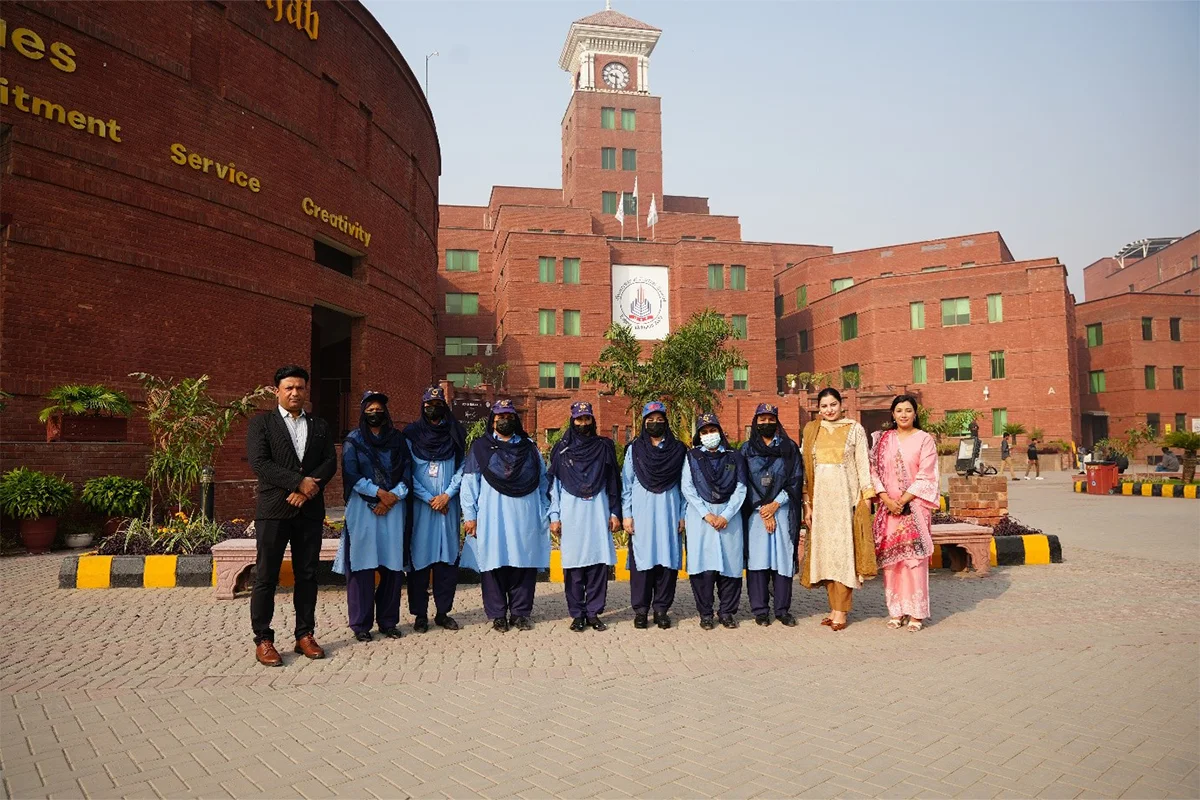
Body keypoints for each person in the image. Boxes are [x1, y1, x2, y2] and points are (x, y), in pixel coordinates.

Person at [246, 365, 338, 667]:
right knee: (266, 576)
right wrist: (297, 482)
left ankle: (305, 634)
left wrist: (308, 490)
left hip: (309, 510)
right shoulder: (262, 424)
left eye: (299, 388)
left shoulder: (320, 425)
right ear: (277, 391)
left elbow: (329, 462)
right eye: (289, 388)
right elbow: (260, 463)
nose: (295, 393)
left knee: (307, 574)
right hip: (274, 510)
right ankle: (264, 638)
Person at [461, 400, 550, 632]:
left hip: (526, 515)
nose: (504, 420)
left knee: (523, 562)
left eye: (509, 415)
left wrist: (546, 511)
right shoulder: (481, 447)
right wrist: (470, 516)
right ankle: (497, 613)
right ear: (493, 420)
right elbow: (470, 483)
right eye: (500, 416)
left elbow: (542, 481)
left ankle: (521, 613)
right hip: (493, 516)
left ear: (515, 419)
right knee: (494, 563)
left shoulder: (529, 448)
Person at [334, 391, 409, 642]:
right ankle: (361, 624)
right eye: (370, 410)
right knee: (362, 567)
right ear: (363, 412)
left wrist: (392, 497)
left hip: (393, 509)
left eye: (379, 409)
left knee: (392, 567)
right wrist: (378, 494)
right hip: (362, 510)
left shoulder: (397, 439)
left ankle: (388, 621)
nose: (375, 414)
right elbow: (351, 474)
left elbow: (407, 473)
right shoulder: (353, 440)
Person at [799, 388, 877, 631]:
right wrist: (807, 504)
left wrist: (866, 497)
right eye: (824, 406)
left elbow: (863, 463)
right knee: (827, 555)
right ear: (818, 409)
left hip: (845, 501)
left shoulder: (854, 429)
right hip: (821, 502)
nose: (829, 410)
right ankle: (833, 608)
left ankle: (842, 611)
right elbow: (805, 468)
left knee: (844, 554)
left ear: (841, 405)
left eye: (833, 404)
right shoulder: (813, 430)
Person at [548, 401, 621, 632]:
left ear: (593, 420)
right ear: (572, 420)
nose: (583, 424)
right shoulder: (561, 449)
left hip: (598, 513)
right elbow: (554, 488)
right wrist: (555, 516)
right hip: (571, 515)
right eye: (579, 419)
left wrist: (614, 512)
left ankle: (593, 613)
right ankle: (577, 614)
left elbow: (613, 482)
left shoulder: (604, 447)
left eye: (587, 419)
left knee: (598, 565)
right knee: (574, 566)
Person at [870, 395, 939, 632]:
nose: (903, 415)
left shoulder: (925, 440)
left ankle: (916, 614)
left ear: (915, 413)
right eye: (899, 410)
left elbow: (927, 475)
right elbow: (873, 471)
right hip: (888, 509)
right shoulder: (882, 440)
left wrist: (903, 499)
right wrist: (887, 499)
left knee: (914, 561)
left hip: (915, 508)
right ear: (892, 413)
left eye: (908, 410)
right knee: (892, 562)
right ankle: (896, 611)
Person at [404, 386, 467, 632]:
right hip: (422, 508)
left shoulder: (455, 432)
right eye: (429, 404)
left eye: (438, 403)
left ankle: (443, 612)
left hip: (447, 508)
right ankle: (420, 614)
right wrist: (430, 498)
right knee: (419, 561)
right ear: (422, 406)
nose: (433, 408)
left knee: (446, 561)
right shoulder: (411, 434)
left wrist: (447, 495)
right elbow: (406, 470)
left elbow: (464, 467)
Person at [621, 401, 688, 630]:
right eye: (650, 419)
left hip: (669, 513)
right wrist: (627, 515)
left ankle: (661, 609)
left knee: (667, 562)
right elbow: (626, 484)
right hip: (641, 514)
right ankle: (641, 611)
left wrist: (682, 515)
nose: (655, 423)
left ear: (666, 422)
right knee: (643, 563)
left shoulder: (678, 450)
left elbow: (684, 486)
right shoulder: (634, 449)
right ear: (643, 422)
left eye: (659, 419)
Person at [740, 403, 804, 627]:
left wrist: (776, 504)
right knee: (758, 561)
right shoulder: (746, 449)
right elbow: (743, 482)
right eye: (762, 419)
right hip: (755, 514)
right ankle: (760, 610)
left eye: (770, 419)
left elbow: (795, 479)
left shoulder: (789, 448)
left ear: (776, 421)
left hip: (783, 511)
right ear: (755, 421)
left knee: (782, 560)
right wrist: (762, 510)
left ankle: (782, 609)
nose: (766, 423)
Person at [682, 413, 748, 630]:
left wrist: (725, 515)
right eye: (704, 432)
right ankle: (706, 613)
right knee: (703, 568)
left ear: (720, 431)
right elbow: (688, 488)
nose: (709, 435)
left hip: (729, 519)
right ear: (698, 435)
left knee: (730, 566)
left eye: (713, 430)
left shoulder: (734, 456)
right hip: (701, 519)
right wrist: (707, 514)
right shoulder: (692, 457)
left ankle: (727, 612)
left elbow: (741, 488)